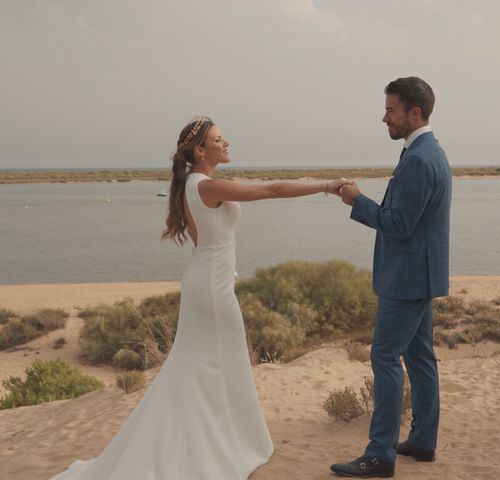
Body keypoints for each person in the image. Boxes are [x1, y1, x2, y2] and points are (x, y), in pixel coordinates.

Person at [49, 116, 349, 480]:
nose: (227, 143)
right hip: (211, 286)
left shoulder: (192, 183)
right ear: (199, 149)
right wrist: (325, 186)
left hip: (208, 280)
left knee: (203, 364)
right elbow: (271, 191)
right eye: (220, 139)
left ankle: (215, 438)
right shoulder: (207, 186)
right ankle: (211, 446)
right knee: (210, 362)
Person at [330, 77, 452, 478]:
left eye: (391, 110)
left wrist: (356, 200)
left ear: (414, 112)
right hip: (421, 275)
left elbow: (398, 224)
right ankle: (422, 441)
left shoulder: (419, 159)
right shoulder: (426, 152)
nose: (385, 117)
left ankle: (380, 455)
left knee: (384, 356)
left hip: (407, 279)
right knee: (419, 358)